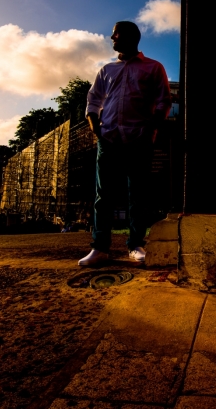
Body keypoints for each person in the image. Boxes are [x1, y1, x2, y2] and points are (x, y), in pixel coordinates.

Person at [78, 21, 171, 266]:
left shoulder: (153, 68)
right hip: (108, 139)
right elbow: (93, 99)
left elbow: (164, 101)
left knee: (138, 194)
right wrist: (94, 125)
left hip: (138, 140)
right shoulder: (106, 70)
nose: (112, 38)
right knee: (103, 195)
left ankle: (136, 245)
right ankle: (100, 248)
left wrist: (150, 128)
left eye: (116, 34)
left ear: (131, 37)